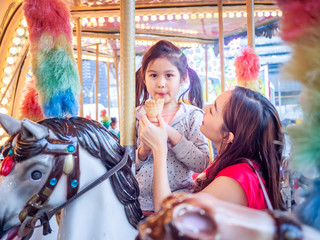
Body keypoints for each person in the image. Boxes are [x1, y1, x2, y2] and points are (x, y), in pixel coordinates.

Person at [139, 86, 285, 212]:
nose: (205, 108)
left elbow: (168, 218)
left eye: (213, 108)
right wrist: (168, 132)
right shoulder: (232, 165)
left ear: (228, 136)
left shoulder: (236, 180)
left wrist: (159, 149)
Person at [135, 40, 211, 213]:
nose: (161, 83)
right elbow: (125, 164)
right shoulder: (138, 116)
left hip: (178, 201)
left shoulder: (192, 116)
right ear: (144, 78)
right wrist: (143, 151)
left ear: (183, 78)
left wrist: (172, 135)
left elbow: (202, 162)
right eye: (153, 75)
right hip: (139, 203)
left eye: (169, 75)